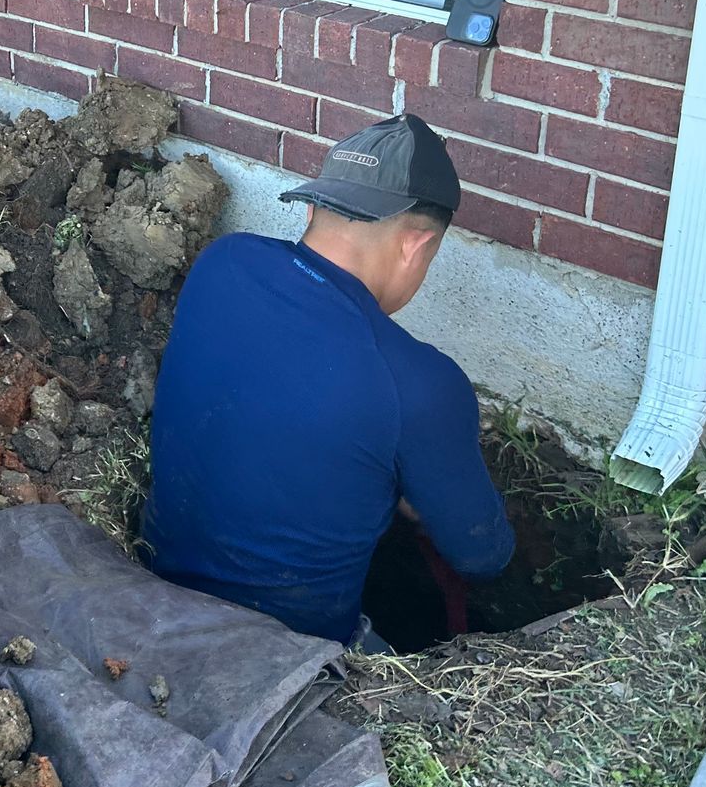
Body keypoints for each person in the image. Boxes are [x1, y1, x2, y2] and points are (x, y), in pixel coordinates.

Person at [139, 114, 514, 651]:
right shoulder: (420, 384)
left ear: (315, 206)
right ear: (417, 246)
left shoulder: (222, 262)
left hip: (152, 586)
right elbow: (483, 557)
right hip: (286, 654)